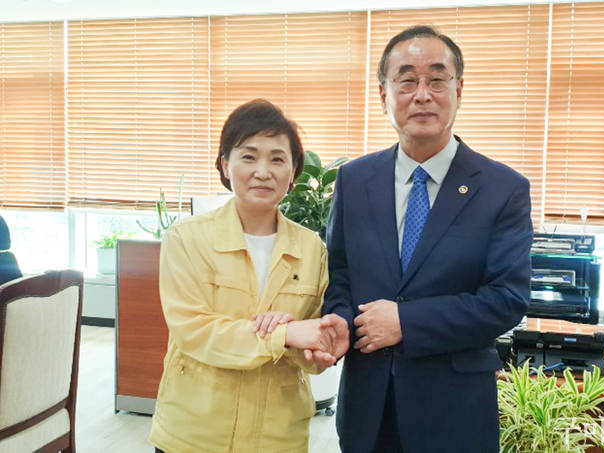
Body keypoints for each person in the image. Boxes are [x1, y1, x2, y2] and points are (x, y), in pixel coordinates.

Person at [322, 25, 533, 453]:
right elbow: (339, 276)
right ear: (383, 94)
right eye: (406, 81)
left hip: (454, 415)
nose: (422, 95)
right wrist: (340, 321)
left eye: (436, 79)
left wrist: (406, 322)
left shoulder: (502, 189)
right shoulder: (354, 180)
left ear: (459, 90)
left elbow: (506, 300)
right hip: (368, 412)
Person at [149, 99, 348, 453]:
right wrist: (285, 334)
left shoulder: (312, 249)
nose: (263, 171)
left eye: (277, 159)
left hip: (278, 437)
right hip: (195, 434)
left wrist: (318, 350)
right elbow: (194, 331)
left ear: (294, 172)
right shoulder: (187, 238)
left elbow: (314, 345)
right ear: (225, 164)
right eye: (249, 156)